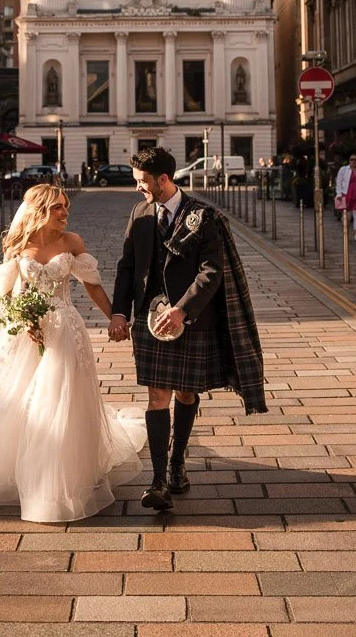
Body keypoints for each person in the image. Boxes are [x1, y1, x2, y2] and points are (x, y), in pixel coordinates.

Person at [0, 183, 145, 522]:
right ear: (39, 210)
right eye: (58, 208)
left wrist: (116, 318)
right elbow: (7, 296)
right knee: (20, 398)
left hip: (66, 331)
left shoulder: (71, 243)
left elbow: (92, 286)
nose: (64, 214)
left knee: (61, 398)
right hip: (27, 332)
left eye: (66, 208)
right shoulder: (19, 245)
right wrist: (21, 321)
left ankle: (61, 471)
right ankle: (17, 465)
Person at [109, 146, 266, 512]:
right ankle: (159, 479)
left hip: (190, 321)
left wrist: (182, 310)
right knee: (157, 396)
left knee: (185, 393)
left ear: (164, 180)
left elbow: (212, 272)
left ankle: (178, 461)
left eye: (143, 183)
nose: (138, 189)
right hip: (150, 321)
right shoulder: (140, 213)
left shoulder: (203, 217)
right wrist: (119, 313)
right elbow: (127, 267)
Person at [335, 154, 356, 242]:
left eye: (355, 160)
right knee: (346, 215)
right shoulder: (343, 169)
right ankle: (346, 230)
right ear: (349, 161)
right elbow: (339, 181)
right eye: (351, 159)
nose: (353, 161)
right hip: (346, 193)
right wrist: (339, 194)